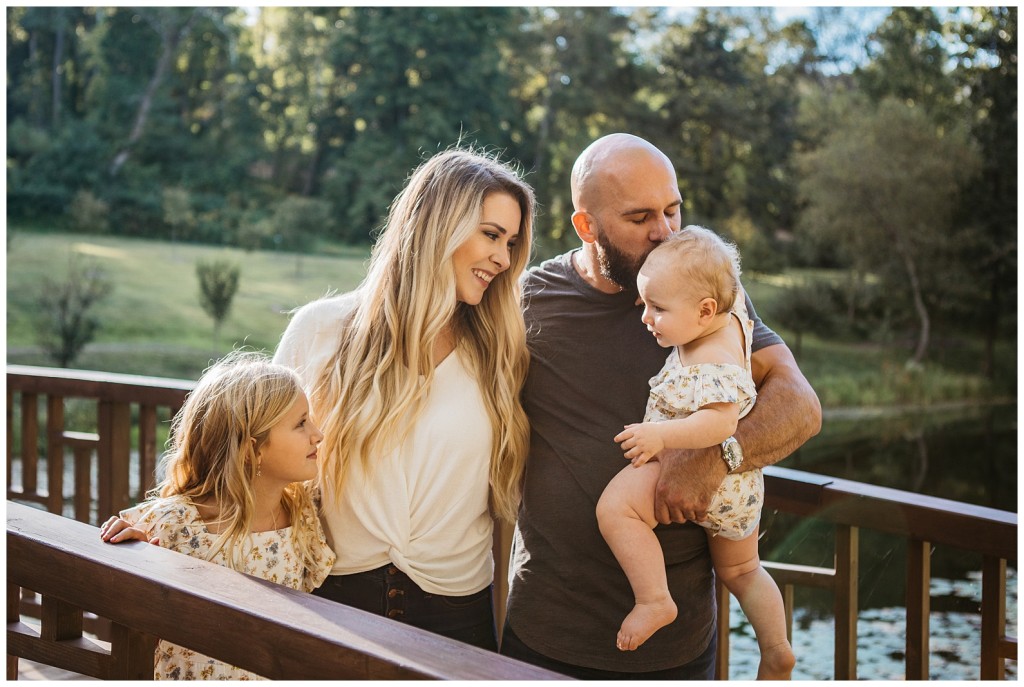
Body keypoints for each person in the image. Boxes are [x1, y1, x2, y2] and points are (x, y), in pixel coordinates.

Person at [500, 133, 821, 679]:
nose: (665, 231)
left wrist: (712, 457)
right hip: (546, 635)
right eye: (640, 216)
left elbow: (799, 405)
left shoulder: (705, 298)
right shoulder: (530, 299)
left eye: (673, 209)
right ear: (587, 226)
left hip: (675, 652)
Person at [272, 148, 534, 651]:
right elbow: (250, 451)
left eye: (512, 242)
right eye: (492, 235)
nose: (504, 258)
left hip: (458, 616)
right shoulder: (321, 330)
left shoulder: (501, 355)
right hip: (332, 598)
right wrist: (167, 520)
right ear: (439, 226)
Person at [598, 226, 795, 678]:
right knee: (744, 570)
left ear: (705, 310)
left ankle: (653, 599)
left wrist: (661, 436)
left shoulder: (712, 359)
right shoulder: (732, 322)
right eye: (646, 304)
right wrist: (664, 297)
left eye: (658, 309)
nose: (646, 317)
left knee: (616, 511)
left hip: (699, 464)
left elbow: (721, 422)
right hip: (742, 491)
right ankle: (777, 648)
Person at [99, 351, 335, 680]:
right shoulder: (175, 523)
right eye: (301, 423)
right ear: (252, 450)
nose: (318, 434)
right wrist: (130, 556)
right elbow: (126, 619)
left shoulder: (301, 516)